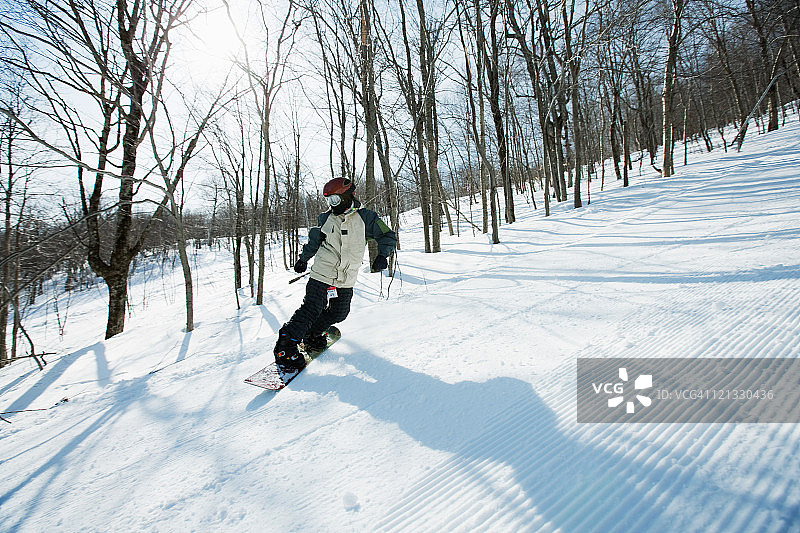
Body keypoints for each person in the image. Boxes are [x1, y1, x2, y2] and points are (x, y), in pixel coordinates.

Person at [273, 177, 397, 371]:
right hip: (323, 273)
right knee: (312, 308)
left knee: (339, 313)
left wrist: (382, 255)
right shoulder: (325, 219)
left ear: (347, 196)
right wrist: (303, 259)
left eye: (335, 200)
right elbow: (314, 241)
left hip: (346, 278)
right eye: (328, 200)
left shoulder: (367, 218)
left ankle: (313, 334)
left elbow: (387, 235)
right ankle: (285, 347)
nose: (331, 204)